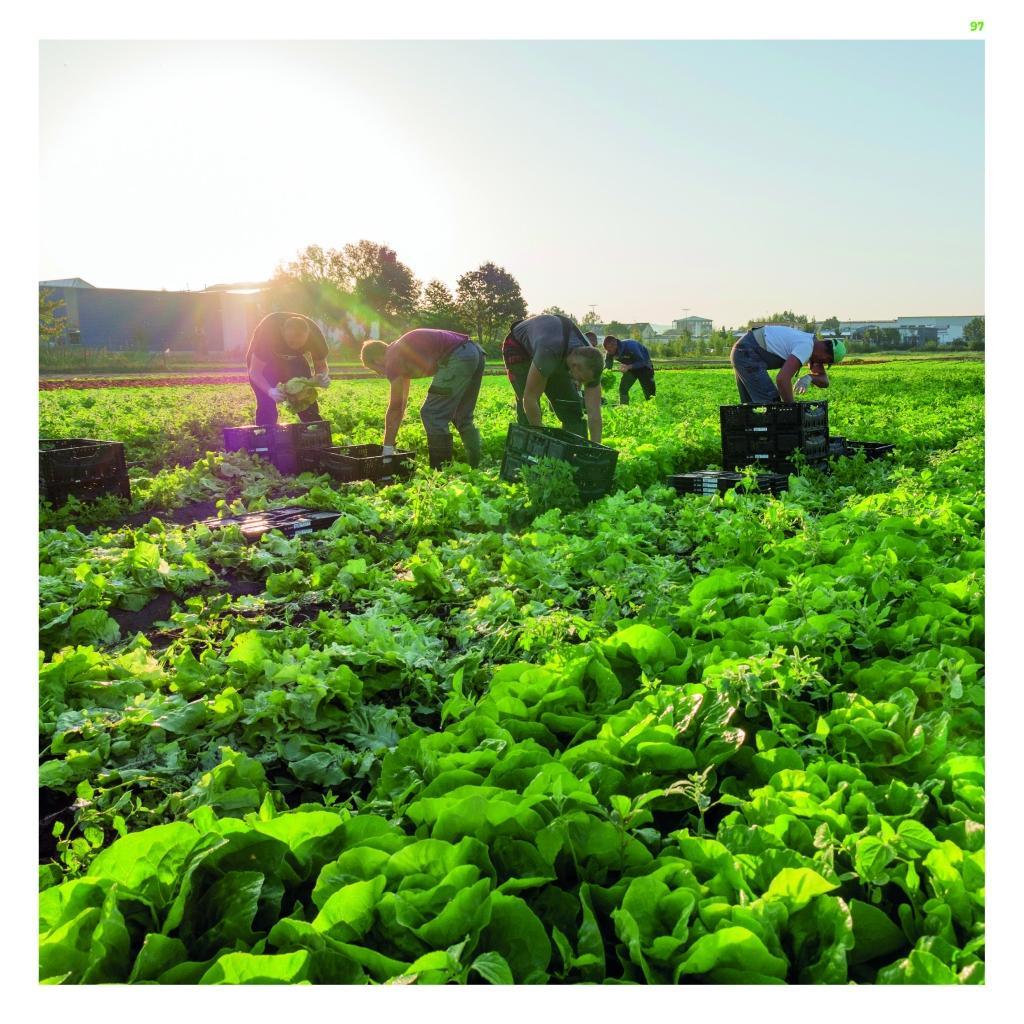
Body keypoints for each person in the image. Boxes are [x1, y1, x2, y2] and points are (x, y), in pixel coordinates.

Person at [360, 328, 486, 469]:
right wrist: (389, 445)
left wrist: (387, 449)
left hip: (458, 356)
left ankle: (441, 470)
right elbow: (401, 405)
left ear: (377, 360)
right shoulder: (399, 352)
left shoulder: (392, 359)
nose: (380, 374)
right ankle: (476, 468)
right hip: (474, 352)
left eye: (375, 370)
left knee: (432, 413)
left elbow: (395, 407)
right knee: (462, 416)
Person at [502, 313, 606, 442]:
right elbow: (530, 399)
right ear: (574, 366)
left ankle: (578, 452)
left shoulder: (591, 362)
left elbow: (594, 413)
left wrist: (596, 447)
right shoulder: (550, 352)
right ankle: (529, 451)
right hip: (518, 347)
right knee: (527, 406)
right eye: (581, 380)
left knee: (570, 407)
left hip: (553, 349)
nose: (580, 384)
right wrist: (540, 439)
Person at [246, 312, 331, 425]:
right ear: (282, 331)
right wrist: (270, 391)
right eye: (291, 342)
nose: (295, 345)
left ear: (308, 335)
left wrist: (322, 377)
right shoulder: (267, 336)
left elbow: (321, 366)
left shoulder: (316, 338)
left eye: (300, 343)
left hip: (295, 361)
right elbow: (255, 371)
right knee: (266, 404)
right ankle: (266, 436)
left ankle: (314, 432)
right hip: (265, 364)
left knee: (304, 397)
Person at [730, 324, 847, 404]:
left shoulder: (812, 345)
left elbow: (824, 382)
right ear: (826, 357)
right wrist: (791, 409)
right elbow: (782, 379)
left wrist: (809, 377)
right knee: (771, 406)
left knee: (751, 408)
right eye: (826, 362)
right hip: (747, 352)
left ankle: (753, 439)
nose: (822, 364)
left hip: (743, 350)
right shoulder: (806, 346)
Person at [603, 335, 656, 404]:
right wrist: (603, 376)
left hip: (645, 368)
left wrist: (628, 367)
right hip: (631, 370)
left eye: (609, 349)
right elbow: (607, 368)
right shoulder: (609, 352)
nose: (608, 352)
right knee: (623, 389)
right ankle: (624, 409)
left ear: (615, 345)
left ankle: (651, 409)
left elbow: (643, 362)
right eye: (607, 350)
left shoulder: (631, 346)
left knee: (649, 393)